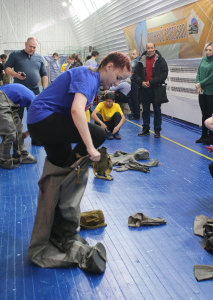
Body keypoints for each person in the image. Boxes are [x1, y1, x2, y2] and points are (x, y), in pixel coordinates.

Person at [26, 52, 131, 272]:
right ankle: (73, 167)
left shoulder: (94, 82)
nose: (118, 83)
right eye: (119, 77)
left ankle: (57, 231)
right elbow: (75, 110)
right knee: (99, 135)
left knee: (61, 165)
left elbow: (80, 112)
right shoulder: (88, 75)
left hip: (43, 122)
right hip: (46, 120)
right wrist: (90, 148)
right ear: (109, 66)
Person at [0, 83, 37, 169]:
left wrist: (24, 133)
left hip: (2, 100)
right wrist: (28, 132)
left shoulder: (30, 94)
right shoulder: (33, 100)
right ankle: (4, 160)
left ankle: (21, 154)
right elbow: (34, 120)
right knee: (10, 133)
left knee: (18, 127)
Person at [5, 37, 48, 120]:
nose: (32, 49)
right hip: (19, 92)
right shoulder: (15, 54)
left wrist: (45, 89)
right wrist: (16, 74)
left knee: (35, 116)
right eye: (30, 46)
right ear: (25, 44)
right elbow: (7, 68)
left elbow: (44, 74)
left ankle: (32, 133)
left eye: (34, 47)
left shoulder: (39, 58)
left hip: (34, 91)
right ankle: (18, 133)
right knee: (17, 116)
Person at [134, 42, 169, 138]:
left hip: (156, 90)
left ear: (155, 48)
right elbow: (135, 74)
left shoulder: (161, 60)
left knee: (157, 110)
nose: (150, 50)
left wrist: (151, 82)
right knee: (145, 110)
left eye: (151, 48)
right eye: (148, 48)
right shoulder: (141, 60)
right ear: (146, 49)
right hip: (144, 90)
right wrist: (141, 82)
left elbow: (164, 74)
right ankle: (145, 129)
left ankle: (157, 130)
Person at [195, 41, 213, 143]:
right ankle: (203, 135)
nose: (208, 52)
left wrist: (200, 84)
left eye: (210, 50)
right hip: (202, 91)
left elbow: (212, 78)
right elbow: (198, 73)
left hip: (211, 91)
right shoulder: (203, 60)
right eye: (206, 50)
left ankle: (211, 136)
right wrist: (198, 84)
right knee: (204, 114)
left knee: (210, 114)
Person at [128, 49, 141, 120]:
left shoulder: (136, 61)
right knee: (130, 96)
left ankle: (136, 115)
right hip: (135, 82)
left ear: (138, 54)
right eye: (132, 54)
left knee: (135, 98)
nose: (132, 55)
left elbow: (131, 69)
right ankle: (134, 113)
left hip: (135, 82)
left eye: (134, 54)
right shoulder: (137, 61)